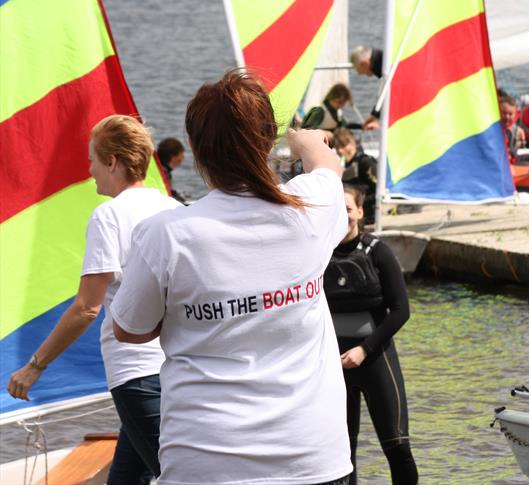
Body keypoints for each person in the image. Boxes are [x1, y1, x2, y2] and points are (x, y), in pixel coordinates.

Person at [109, 70, 352, 485]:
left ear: (197, 150)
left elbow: (129, 330)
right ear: (266, 141)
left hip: (206, 462)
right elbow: (328, 164)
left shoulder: (167, 235)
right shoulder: (312, 208)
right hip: (312, 458)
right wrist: (305, 142)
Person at [7, 115, 182, 484]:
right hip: (179, 366)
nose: (90, 171)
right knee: (126, 477)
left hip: (137, 375)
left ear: (112, 162)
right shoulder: (175, 210)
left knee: (178, 476)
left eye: (92, 160)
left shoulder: (108, 217)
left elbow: (87, 308)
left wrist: (34, 366)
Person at [324, 186, 418, 485]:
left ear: (360, 212)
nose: (343, 214)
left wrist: (364, 350)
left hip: (376, 360)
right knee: (342, 455)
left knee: (397, 447)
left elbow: (401, 310)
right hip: (335, 366)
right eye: (337, 208)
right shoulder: (319, 254)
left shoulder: (378, 252)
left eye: (348, 208)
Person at [334, 129, 377, 225]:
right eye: (337, 148)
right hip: (352, 214)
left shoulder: (366, 162)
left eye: (343, 146)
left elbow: (378, 191)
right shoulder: (345, 164)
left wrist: (358, 201)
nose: (340, 151)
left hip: (367, 215)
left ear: (352, 143)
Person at [350, 46, 383, 130]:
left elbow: (389, 93)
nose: (360, 74)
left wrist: (375, 117)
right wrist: (374, 116)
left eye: (363, 71)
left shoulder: (383, 64)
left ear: (365, 63)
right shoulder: (381, 62)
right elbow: (385, 93)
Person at [156, 137, 187, 203]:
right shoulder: (163, 174)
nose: (183, 157)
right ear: (173, 156)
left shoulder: (158, 169)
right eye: (182, 153)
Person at [499, 95, 525, 162]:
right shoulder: (492, 130)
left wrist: (521, 143)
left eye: (510, 114)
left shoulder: (517, 131)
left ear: (515, 114)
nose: (507, 117)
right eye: (504, 113)